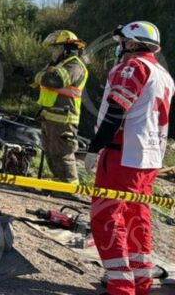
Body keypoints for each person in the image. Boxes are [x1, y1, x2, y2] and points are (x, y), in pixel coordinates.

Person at [85, 21, 173, 295]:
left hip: (123, 154)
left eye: (122, 42)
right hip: (149, 156)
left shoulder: (132, 68)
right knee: (137, 216)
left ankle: (121, 286)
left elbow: (116, 112)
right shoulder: (163, 74)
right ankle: (140, 281)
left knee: (107, 218)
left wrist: (94, 146)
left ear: (133, 43)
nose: (120, 48)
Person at [32, 30, 88, 183]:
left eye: (55, 48)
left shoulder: (75, 65)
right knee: (50, 152)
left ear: (66, 48)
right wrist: (31, 76)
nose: (53, 51)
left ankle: (69, 187)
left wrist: (37, 76)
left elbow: (55, 81)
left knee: (63, 153)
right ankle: (59, 184)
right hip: (49, 116)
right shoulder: (57, 65)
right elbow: (42, 81)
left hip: (64, 118)